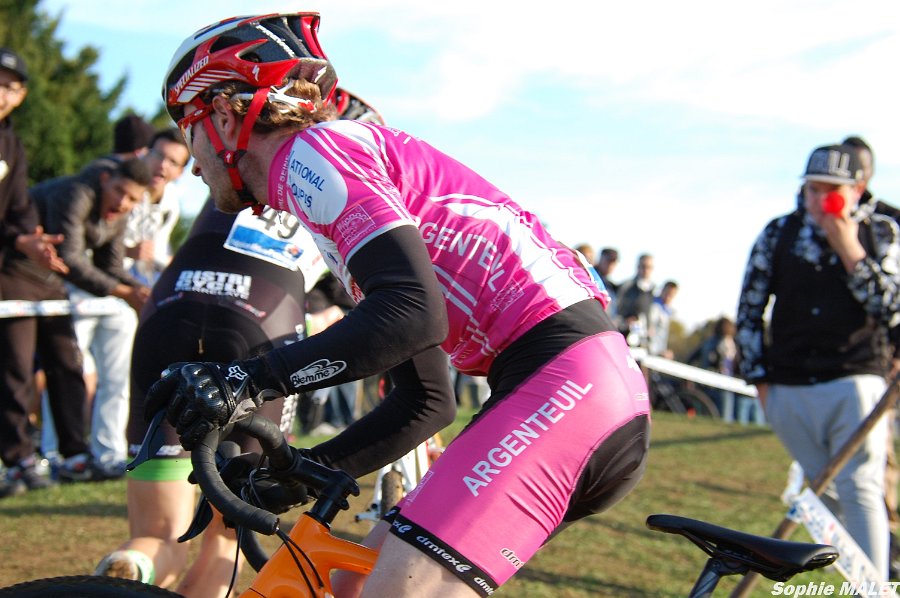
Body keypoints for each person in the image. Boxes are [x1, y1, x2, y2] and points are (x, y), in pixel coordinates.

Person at [147, 12, 651, 598]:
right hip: (572, 390)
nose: (192, 161)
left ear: (224, 117)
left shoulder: (314, 154)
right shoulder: (334, 175)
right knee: (346, 584)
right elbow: (425, 400)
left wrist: (245, 380)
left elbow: (413, 314)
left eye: (187, 129)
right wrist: (300, 473)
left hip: (563, 387)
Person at [93, 195, 322, 596]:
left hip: (172, 304)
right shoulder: (362, 174)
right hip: (265, 314)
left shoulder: (233, 158)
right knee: (224, 539)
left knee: (155, 534)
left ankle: (132, 566)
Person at [736, 142, 900, 580]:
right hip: (788, 384)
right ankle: (845, 580)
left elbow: (891, 308)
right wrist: (760, 381)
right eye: (813, 189)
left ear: (857, 189)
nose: (819, 199)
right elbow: (750, 306)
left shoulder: (881, 230)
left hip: (855, 377)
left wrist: (849, 249)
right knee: (820, 489)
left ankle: (874, 586)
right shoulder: (779, 232)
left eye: (832, 190)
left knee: (860, 486)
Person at [30, 157, 152, 481]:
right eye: (120, 192)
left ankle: (108, 454)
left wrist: (143, 291)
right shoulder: (75, 194)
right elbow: (68, 259)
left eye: (132, 199)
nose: (123, 203)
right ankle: (55, 452)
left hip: (81, 294)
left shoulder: (119, 213)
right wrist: (125, 292)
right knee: (65, 372)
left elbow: (111, 265)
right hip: (34, 280)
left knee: (115, 376)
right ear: (104, 179)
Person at [0, 47, 85, 498]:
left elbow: (18, 205)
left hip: (14, 265)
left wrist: (31, 239)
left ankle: (22, 459)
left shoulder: (10, 141)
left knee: (21, 368)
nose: (3, 94)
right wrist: (19, 240)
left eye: (12, 87)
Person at [122, 128, 189, 286]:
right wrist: (127, 251)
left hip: (137, 280)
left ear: (180, 172)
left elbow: (158, 253)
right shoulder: (120, 187)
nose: (163, 165)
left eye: (173, 162)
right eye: (158, 155)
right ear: (146, 153)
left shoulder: (171, 205)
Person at [616, 253, 656, 347]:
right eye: (643, 266)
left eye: (649, 267)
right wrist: (625, 321)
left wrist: (650, 328)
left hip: (643, 339)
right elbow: (617, 311)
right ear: (638, 267)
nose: (646, 270)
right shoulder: (626, 287)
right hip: (624, 338)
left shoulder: (653, 290)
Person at [646, 280, 678, 359]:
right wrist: (656, 351)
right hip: (649, 352)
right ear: (662, 290)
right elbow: (650, 330)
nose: (668, 297)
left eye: (671, 295)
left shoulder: (669, 311)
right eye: (667, 293)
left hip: (659, 352)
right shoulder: (653, 306)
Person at [595, 246, 620, 320]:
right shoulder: (591, 278)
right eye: (608, 261)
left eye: (613, 262)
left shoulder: (611, 286)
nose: (610, 265)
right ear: (601, 259)